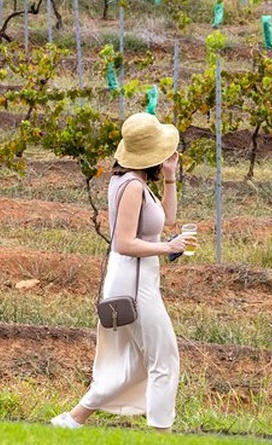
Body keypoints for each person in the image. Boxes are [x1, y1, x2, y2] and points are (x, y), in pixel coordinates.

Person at [51, 112, 196, 432]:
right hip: (134, 281)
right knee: (164, 358)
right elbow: (124, 243)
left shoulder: (133, 181)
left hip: (135, 277)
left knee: (135, 361)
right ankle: (162, 434)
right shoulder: (132, 186)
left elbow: (169, 219)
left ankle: (74, 419)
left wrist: (170, 176)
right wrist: (167, 248)